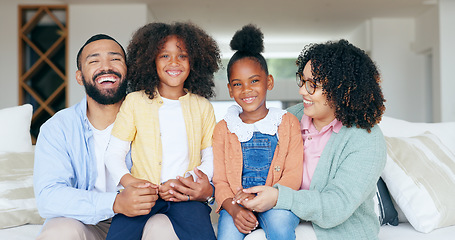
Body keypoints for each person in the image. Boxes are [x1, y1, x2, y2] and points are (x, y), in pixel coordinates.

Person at [241, 39, 387, 239]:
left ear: (341, 90)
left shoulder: (367, 139)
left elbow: (336, 206)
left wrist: (279, 197)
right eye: (302, 80)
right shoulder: (291, 117)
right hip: (285, 220)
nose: (302, 91)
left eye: (313, 85)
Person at [33, 34, 175, 240]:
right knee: (58, 231)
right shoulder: (58, 128)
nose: (106, 66)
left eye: (115, 59)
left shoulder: (156, 116)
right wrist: (115, 203)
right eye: (94, 61)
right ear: (80, 76)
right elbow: (48, 197)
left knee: (165, 226)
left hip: (144, 219)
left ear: (127, 70)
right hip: (86, 222)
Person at [104, 22, 220, 240]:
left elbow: (210, 158)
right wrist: (133, 183)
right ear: (151, 61)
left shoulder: (203, 107)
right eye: (164, 56)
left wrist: (184, 182)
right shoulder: (134, 102)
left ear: (195, 61)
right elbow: (114, 154)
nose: (174, 62)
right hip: (142, 195)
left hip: (185, 196)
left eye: (182, 56)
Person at [212, 24, 303, 240]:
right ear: (229, 89)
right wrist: (233, 209)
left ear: (268, 82)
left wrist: (271, 197)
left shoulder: (287, 123)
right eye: (238, 84)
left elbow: (293, 174)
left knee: (281, 227)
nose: (246, 90)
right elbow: (221, 181)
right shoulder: (224, 128)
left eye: (254, 81)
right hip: (237, 203)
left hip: (276, 200)